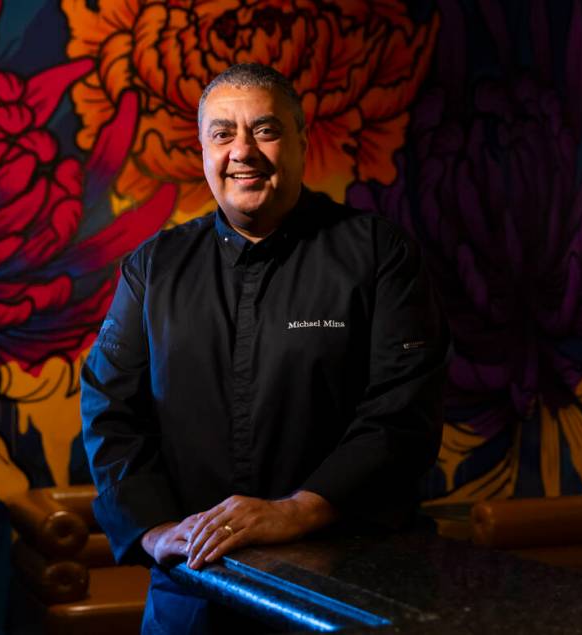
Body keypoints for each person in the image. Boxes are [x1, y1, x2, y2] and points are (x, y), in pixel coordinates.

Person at [80, 63, 448, 631]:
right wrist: (155, 531)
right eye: (223, 133)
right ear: (203, 149)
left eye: (266, 130)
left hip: (348, 581)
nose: (243, 151)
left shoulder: (378, 254)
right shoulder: (154, 268)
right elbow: (110, 409)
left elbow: (403, 413)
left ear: (302, 139)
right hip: (194, 587)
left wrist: (297, 511)